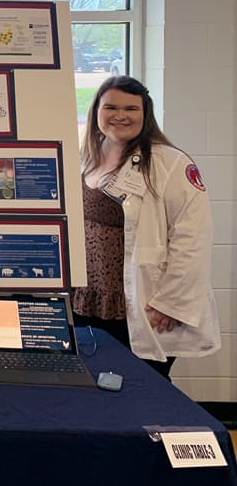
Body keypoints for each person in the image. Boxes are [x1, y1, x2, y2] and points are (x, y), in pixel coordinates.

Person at [74, 75, 221, 379]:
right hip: (87, 301)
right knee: (90, 387)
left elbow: (193, 238)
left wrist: (172, 303)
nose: (120, 115)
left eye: (131, 108)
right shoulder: (86, 157)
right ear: (96, 111)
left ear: (146, 114)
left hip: (140, 304)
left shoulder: (171, 164)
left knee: (142, 390)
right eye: (110, 107)